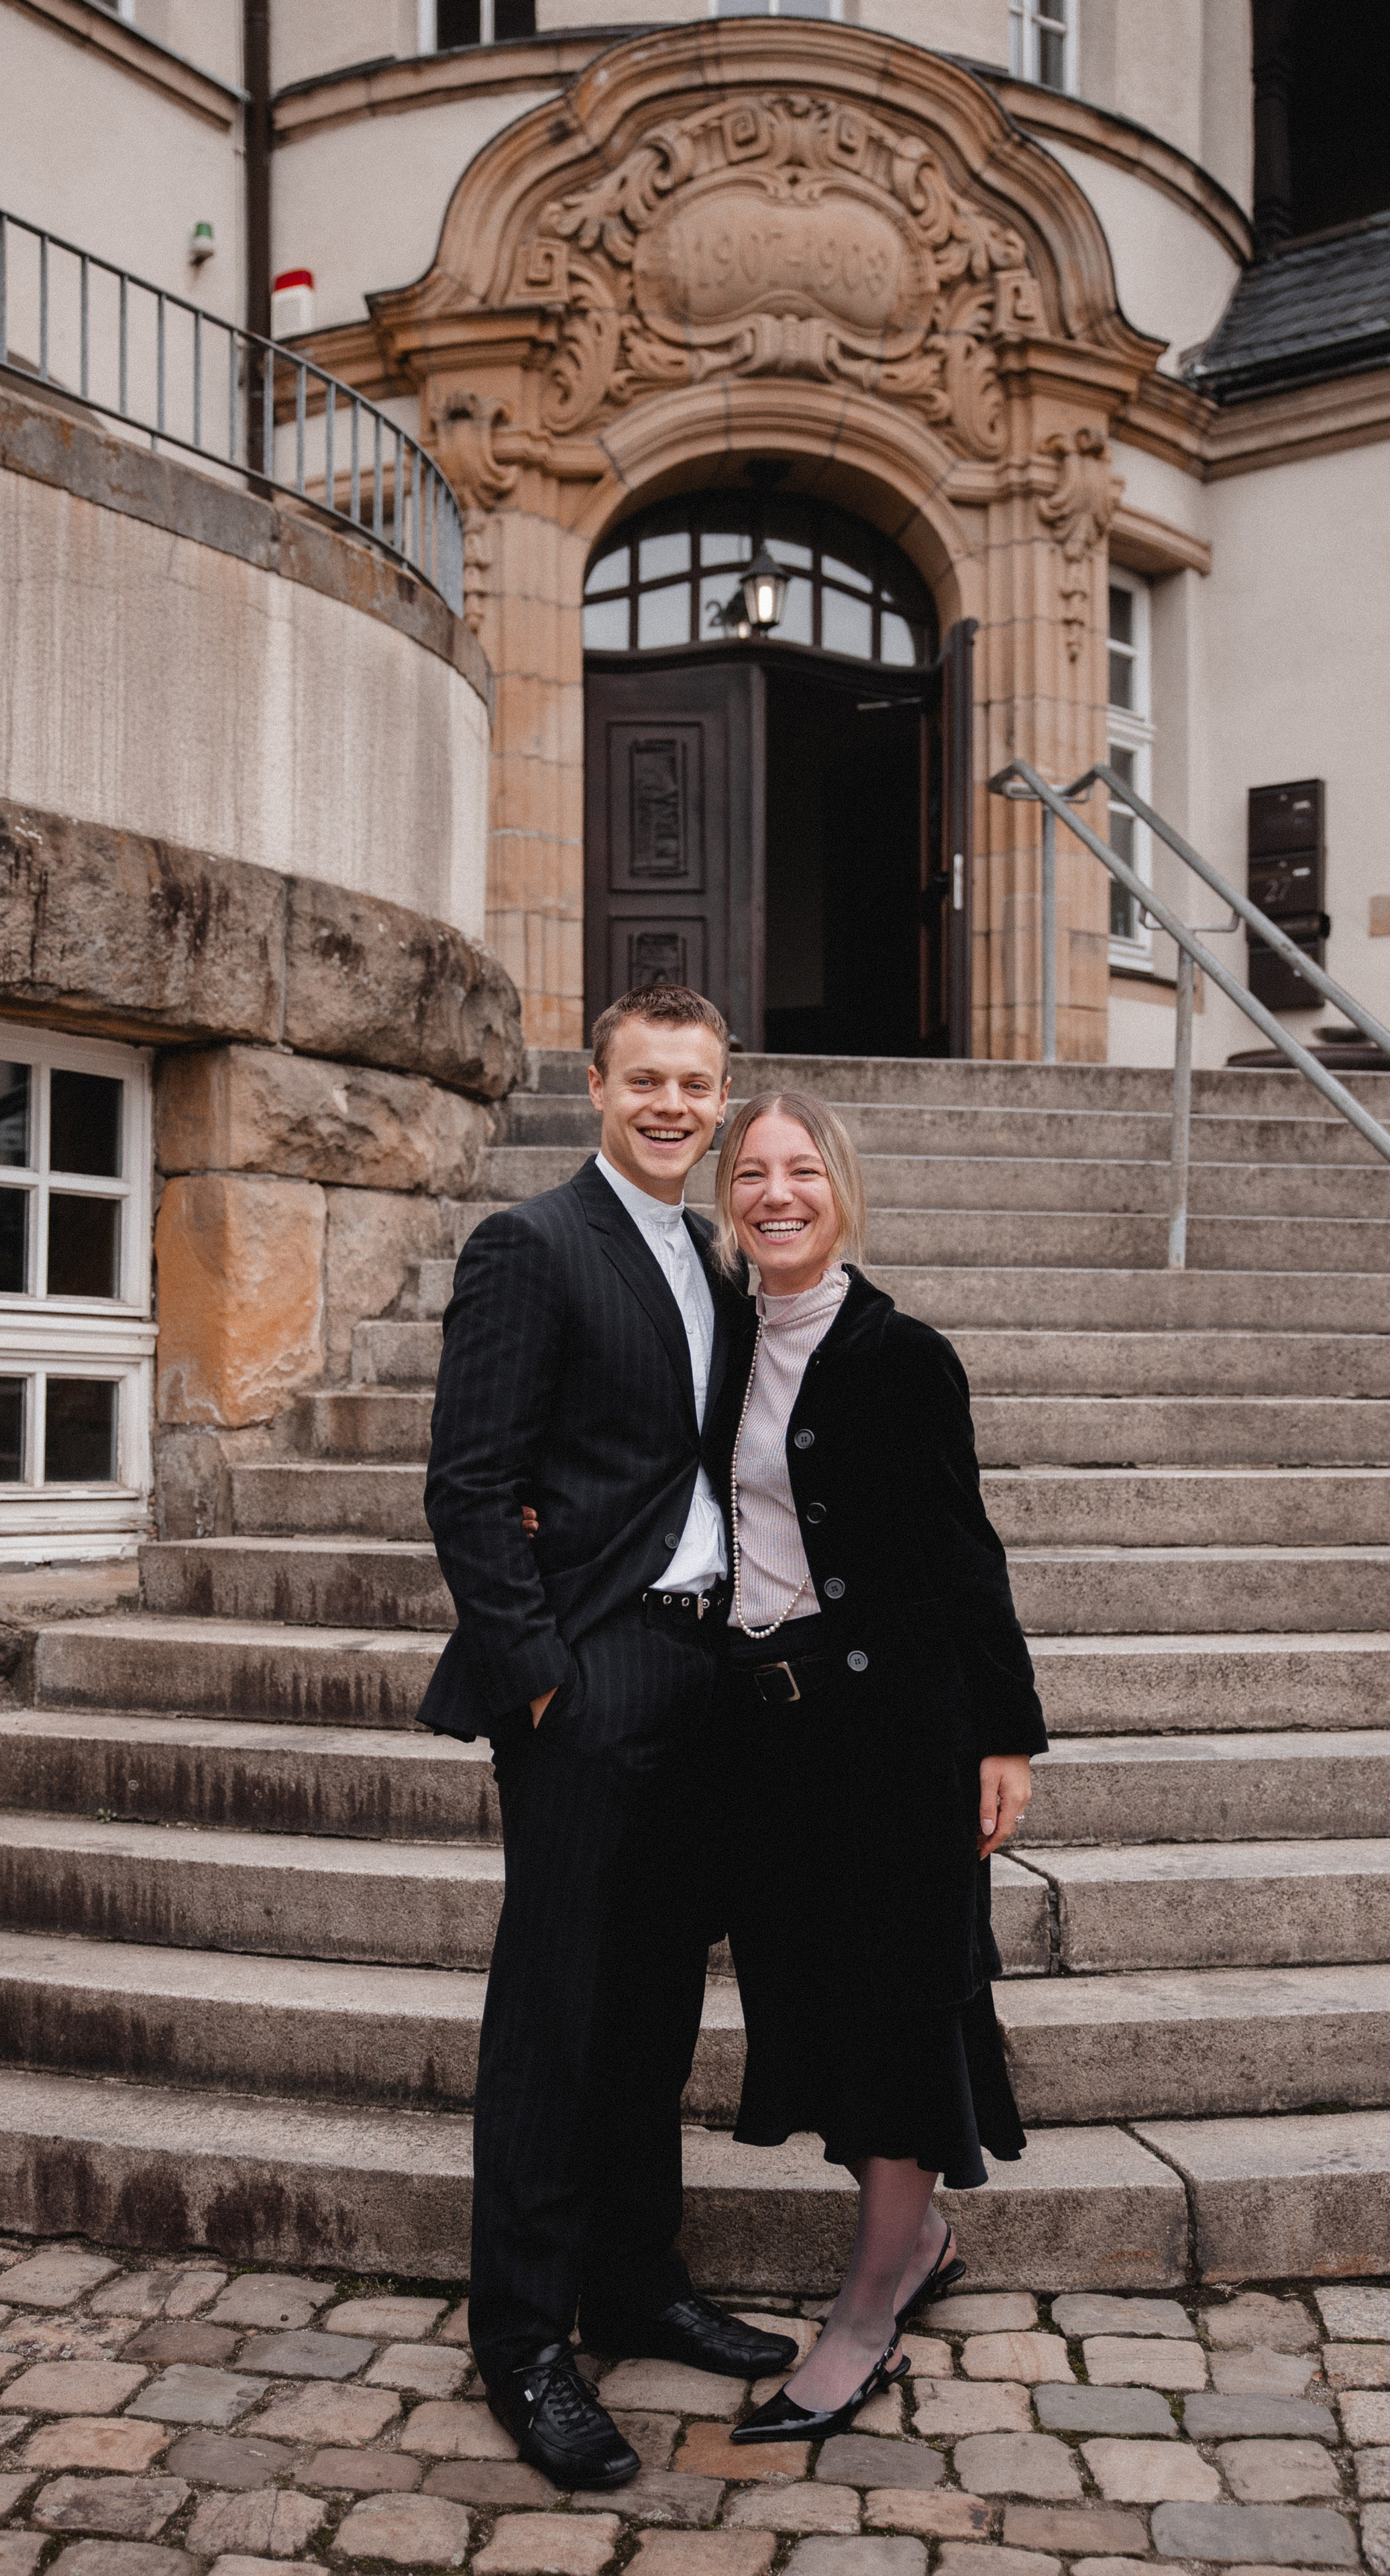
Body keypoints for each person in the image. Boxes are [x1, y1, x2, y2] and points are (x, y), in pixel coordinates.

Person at [419, 986, 798, 2490]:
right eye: (643, 1079)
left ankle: (636, 2284)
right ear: (593, 1085)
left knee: (652, 2008)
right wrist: (538, 1683)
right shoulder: (530, 1244)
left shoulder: (716, 1254)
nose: (671, 1106)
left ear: (720, 1095)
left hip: (704, 1674)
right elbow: (467, 1483)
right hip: (589, 1677)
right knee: (555, 2015)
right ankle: (521, 2336)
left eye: (694, 1084)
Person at [702, 1089, 1047, 2446]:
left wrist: (1003, 1732)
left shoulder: (901, 1356)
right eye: (752, 1173)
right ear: (726, 1197)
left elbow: (964, 1552)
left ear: (839, 1191)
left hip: (894, 1731)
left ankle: (867, 2305)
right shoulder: (716, 1346)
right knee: (809, 1997)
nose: (775, 1193)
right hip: (763, 1732)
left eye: (800, 1171)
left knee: (897, 2002)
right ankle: (918, 2243)